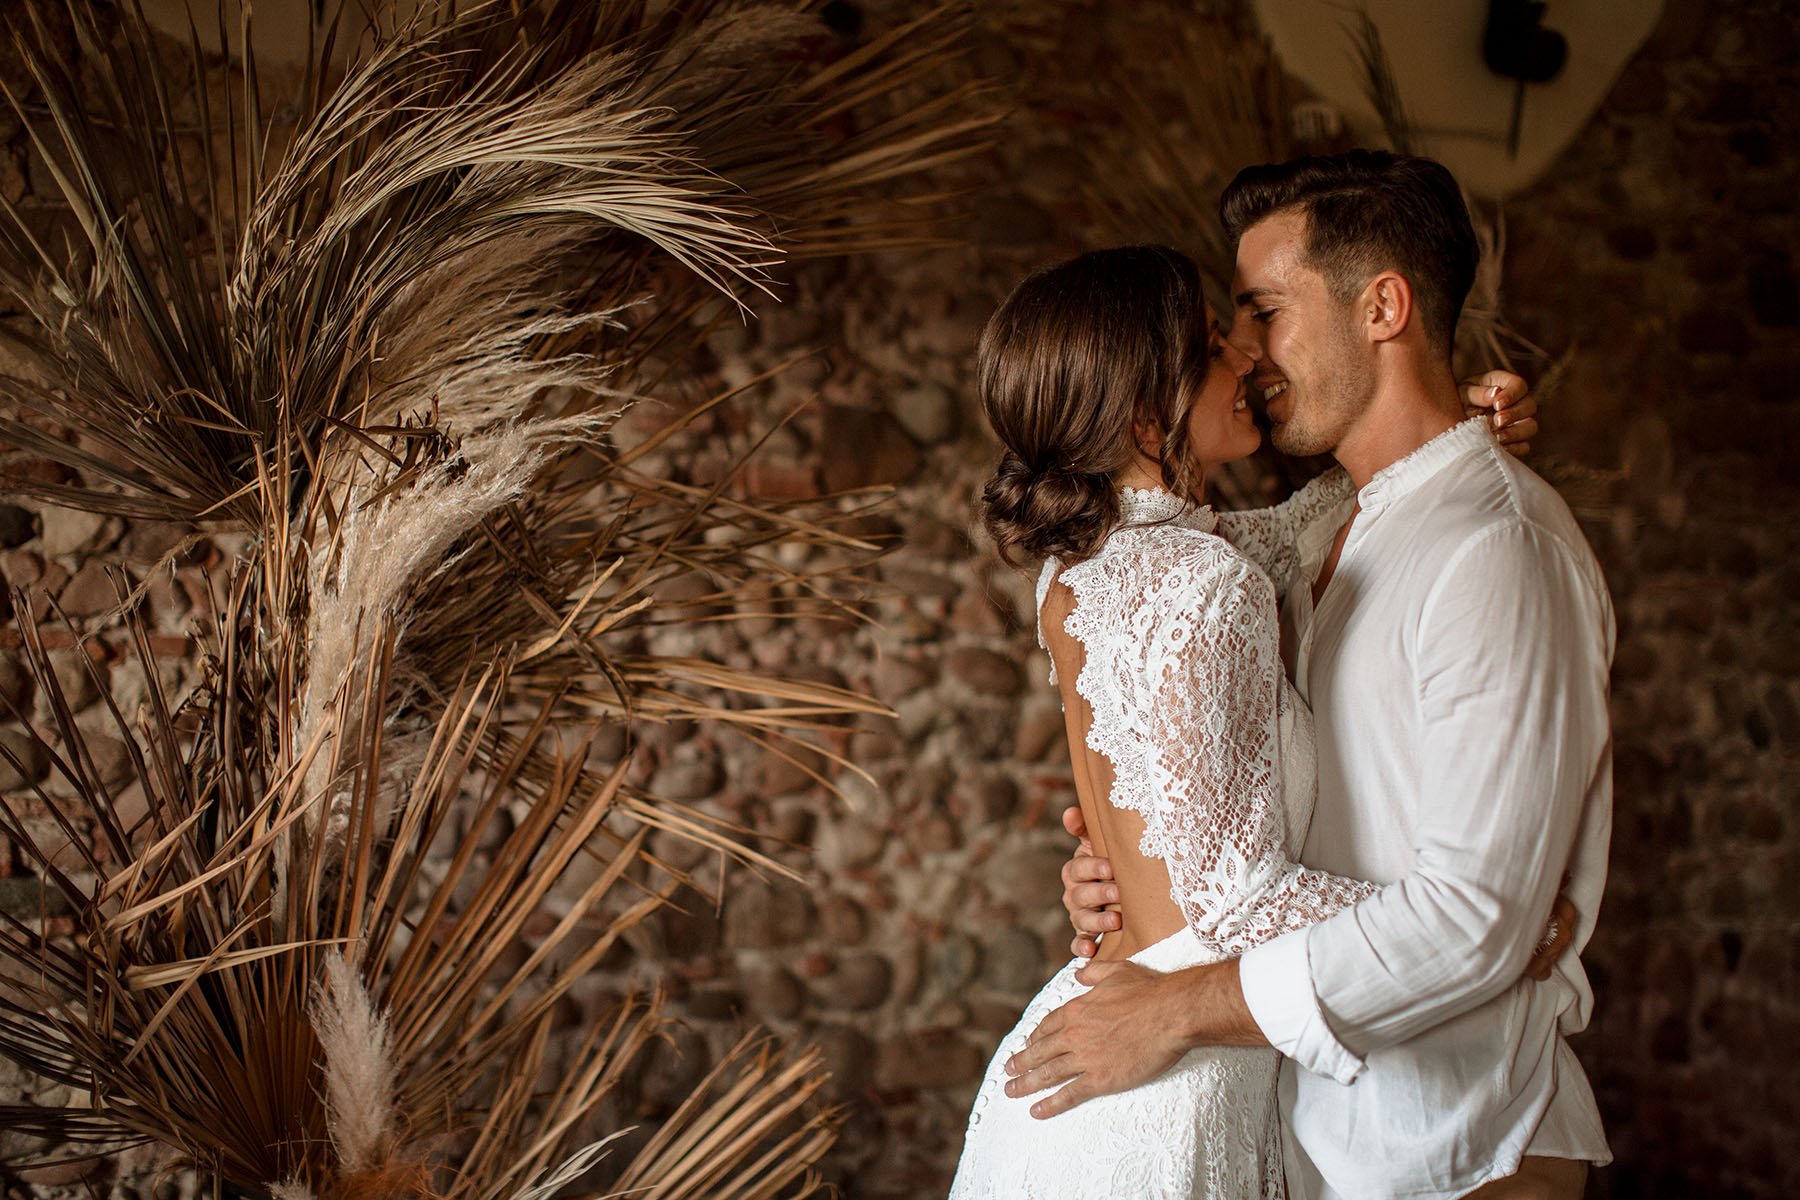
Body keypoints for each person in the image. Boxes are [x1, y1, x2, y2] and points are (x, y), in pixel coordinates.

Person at [1006, 152, 1614, 1200]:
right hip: (1303, 1135)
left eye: (1266, 312)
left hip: (1454, 1146)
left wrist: (1177, 994)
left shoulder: (1491, 546)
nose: (1249, 352)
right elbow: (1234, 835)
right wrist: (1145, 895)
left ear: (1383, 307)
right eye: (1228, 328)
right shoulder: (1280, 554)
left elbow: (1474, 920)